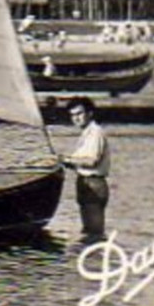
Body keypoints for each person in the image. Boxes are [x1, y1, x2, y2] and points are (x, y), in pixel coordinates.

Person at [61, 97, 111, 240]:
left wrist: (67, 159)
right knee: (88, 230)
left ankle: (96, 259)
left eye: (79, 114)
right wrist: (62, 162)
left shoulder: (95, 133)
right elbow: (80, 162)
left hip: (93, 184)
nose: (76, 118)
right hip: (85, 183)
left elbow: (92, 161)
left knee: (94, 232)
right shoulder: (86, 133)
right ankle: (91, 258)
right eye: (72, 115)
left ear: (90, 113)